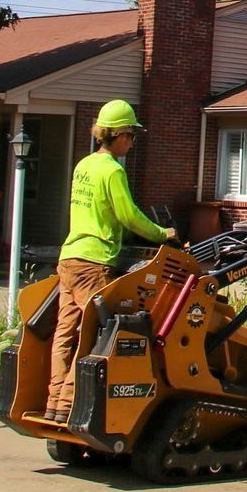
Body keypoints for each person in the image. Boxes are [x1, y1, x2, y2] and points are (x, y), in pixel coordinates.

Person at [44, 99, 178, 423]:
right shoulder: (113, 170)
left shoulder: (84, 165)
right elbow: (129, 216)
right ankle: (68, 404)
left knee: (65, 331)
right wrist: (164, 234)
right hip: (95, 262)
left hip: (71, 258)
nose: (132, 142)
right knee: (94, 334)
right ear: (118, 134)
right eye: (131, 135)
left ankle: (52, 401)